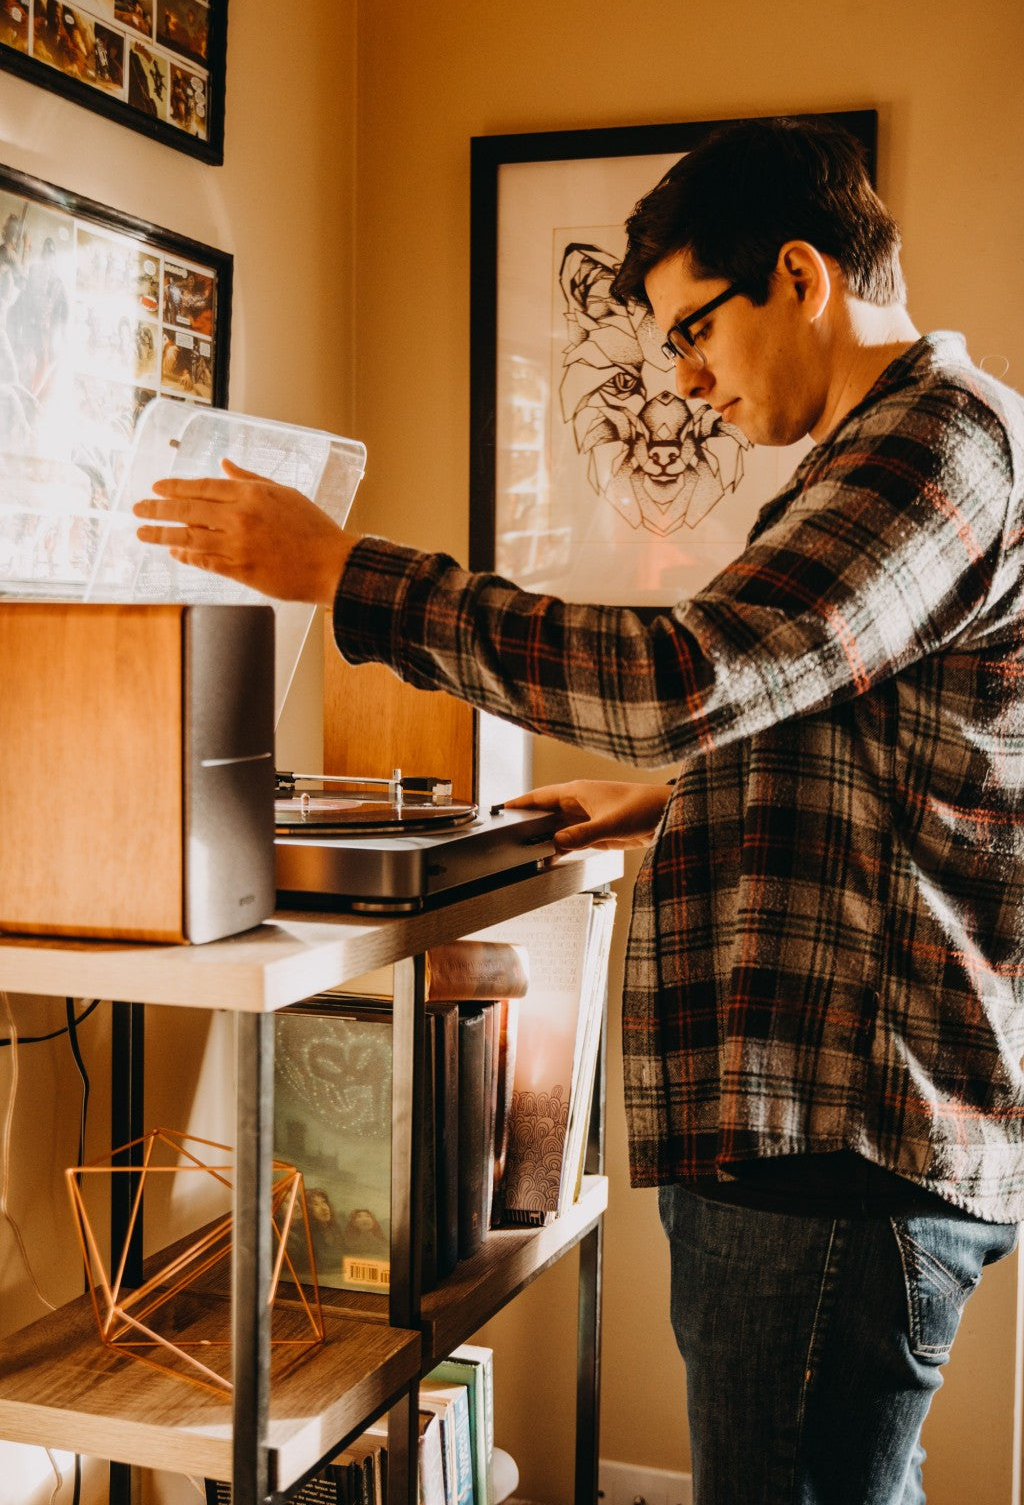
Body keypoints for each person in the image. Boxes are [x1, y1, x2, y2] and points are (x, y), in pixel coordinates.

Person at [135, 117, 1024, 1504]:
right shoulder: (894, 451)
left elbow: (696, 672)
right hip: (823, 1135)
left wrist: (348, 574)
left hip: (836, 1143)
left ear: (802, 277)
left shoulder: (935, 448)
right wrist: (677, 797)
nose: (686, 379)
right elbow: (873, 737)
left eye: (695, 330)